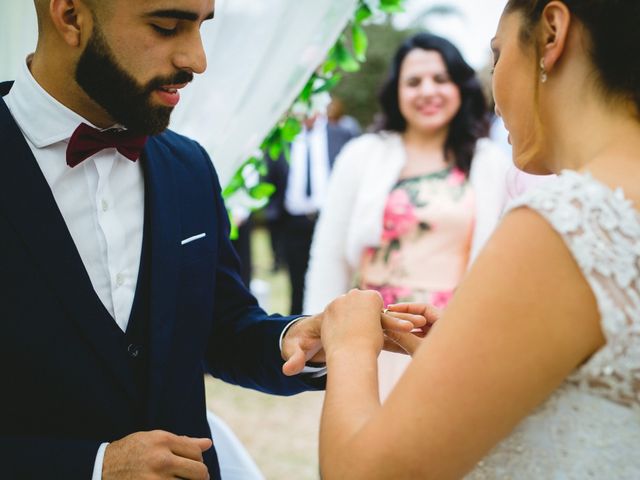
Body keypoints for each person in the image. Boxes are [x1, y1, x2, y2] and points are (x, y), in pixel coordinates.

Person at [0, 1, 420, 478]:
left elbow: (221, 328)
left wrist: (294, 339)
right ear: (71, 15)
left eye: (201, 28)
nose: (197, 60)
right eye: (166, 27)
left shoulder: (189, 168)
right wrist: (93, 468)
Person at [317, 0, 640, 478]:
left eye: (497, 54)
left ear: (551, 34)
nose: (492, 88)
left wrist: (346, 345)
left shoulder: (567, 223)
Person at [304, 33, 511, 397]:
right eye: (413, 81)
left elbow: (498, 261)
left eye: (440, 79)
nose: (427, 91)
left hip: (449, 338)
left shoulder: (488, 161)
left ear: (460, 87)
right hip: (373, 335)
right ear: (396, 91)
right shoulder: (362, 155)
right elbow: (329, 253)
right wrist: (319, 334)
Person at [265, 112, 357, 314]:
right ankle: (299, 331)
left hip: (329, 221)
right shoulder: (283, 137)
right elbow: (271, 174)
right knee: (297, 285)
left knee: (333, 282)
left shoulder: (342, 135)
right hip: (293, 223)